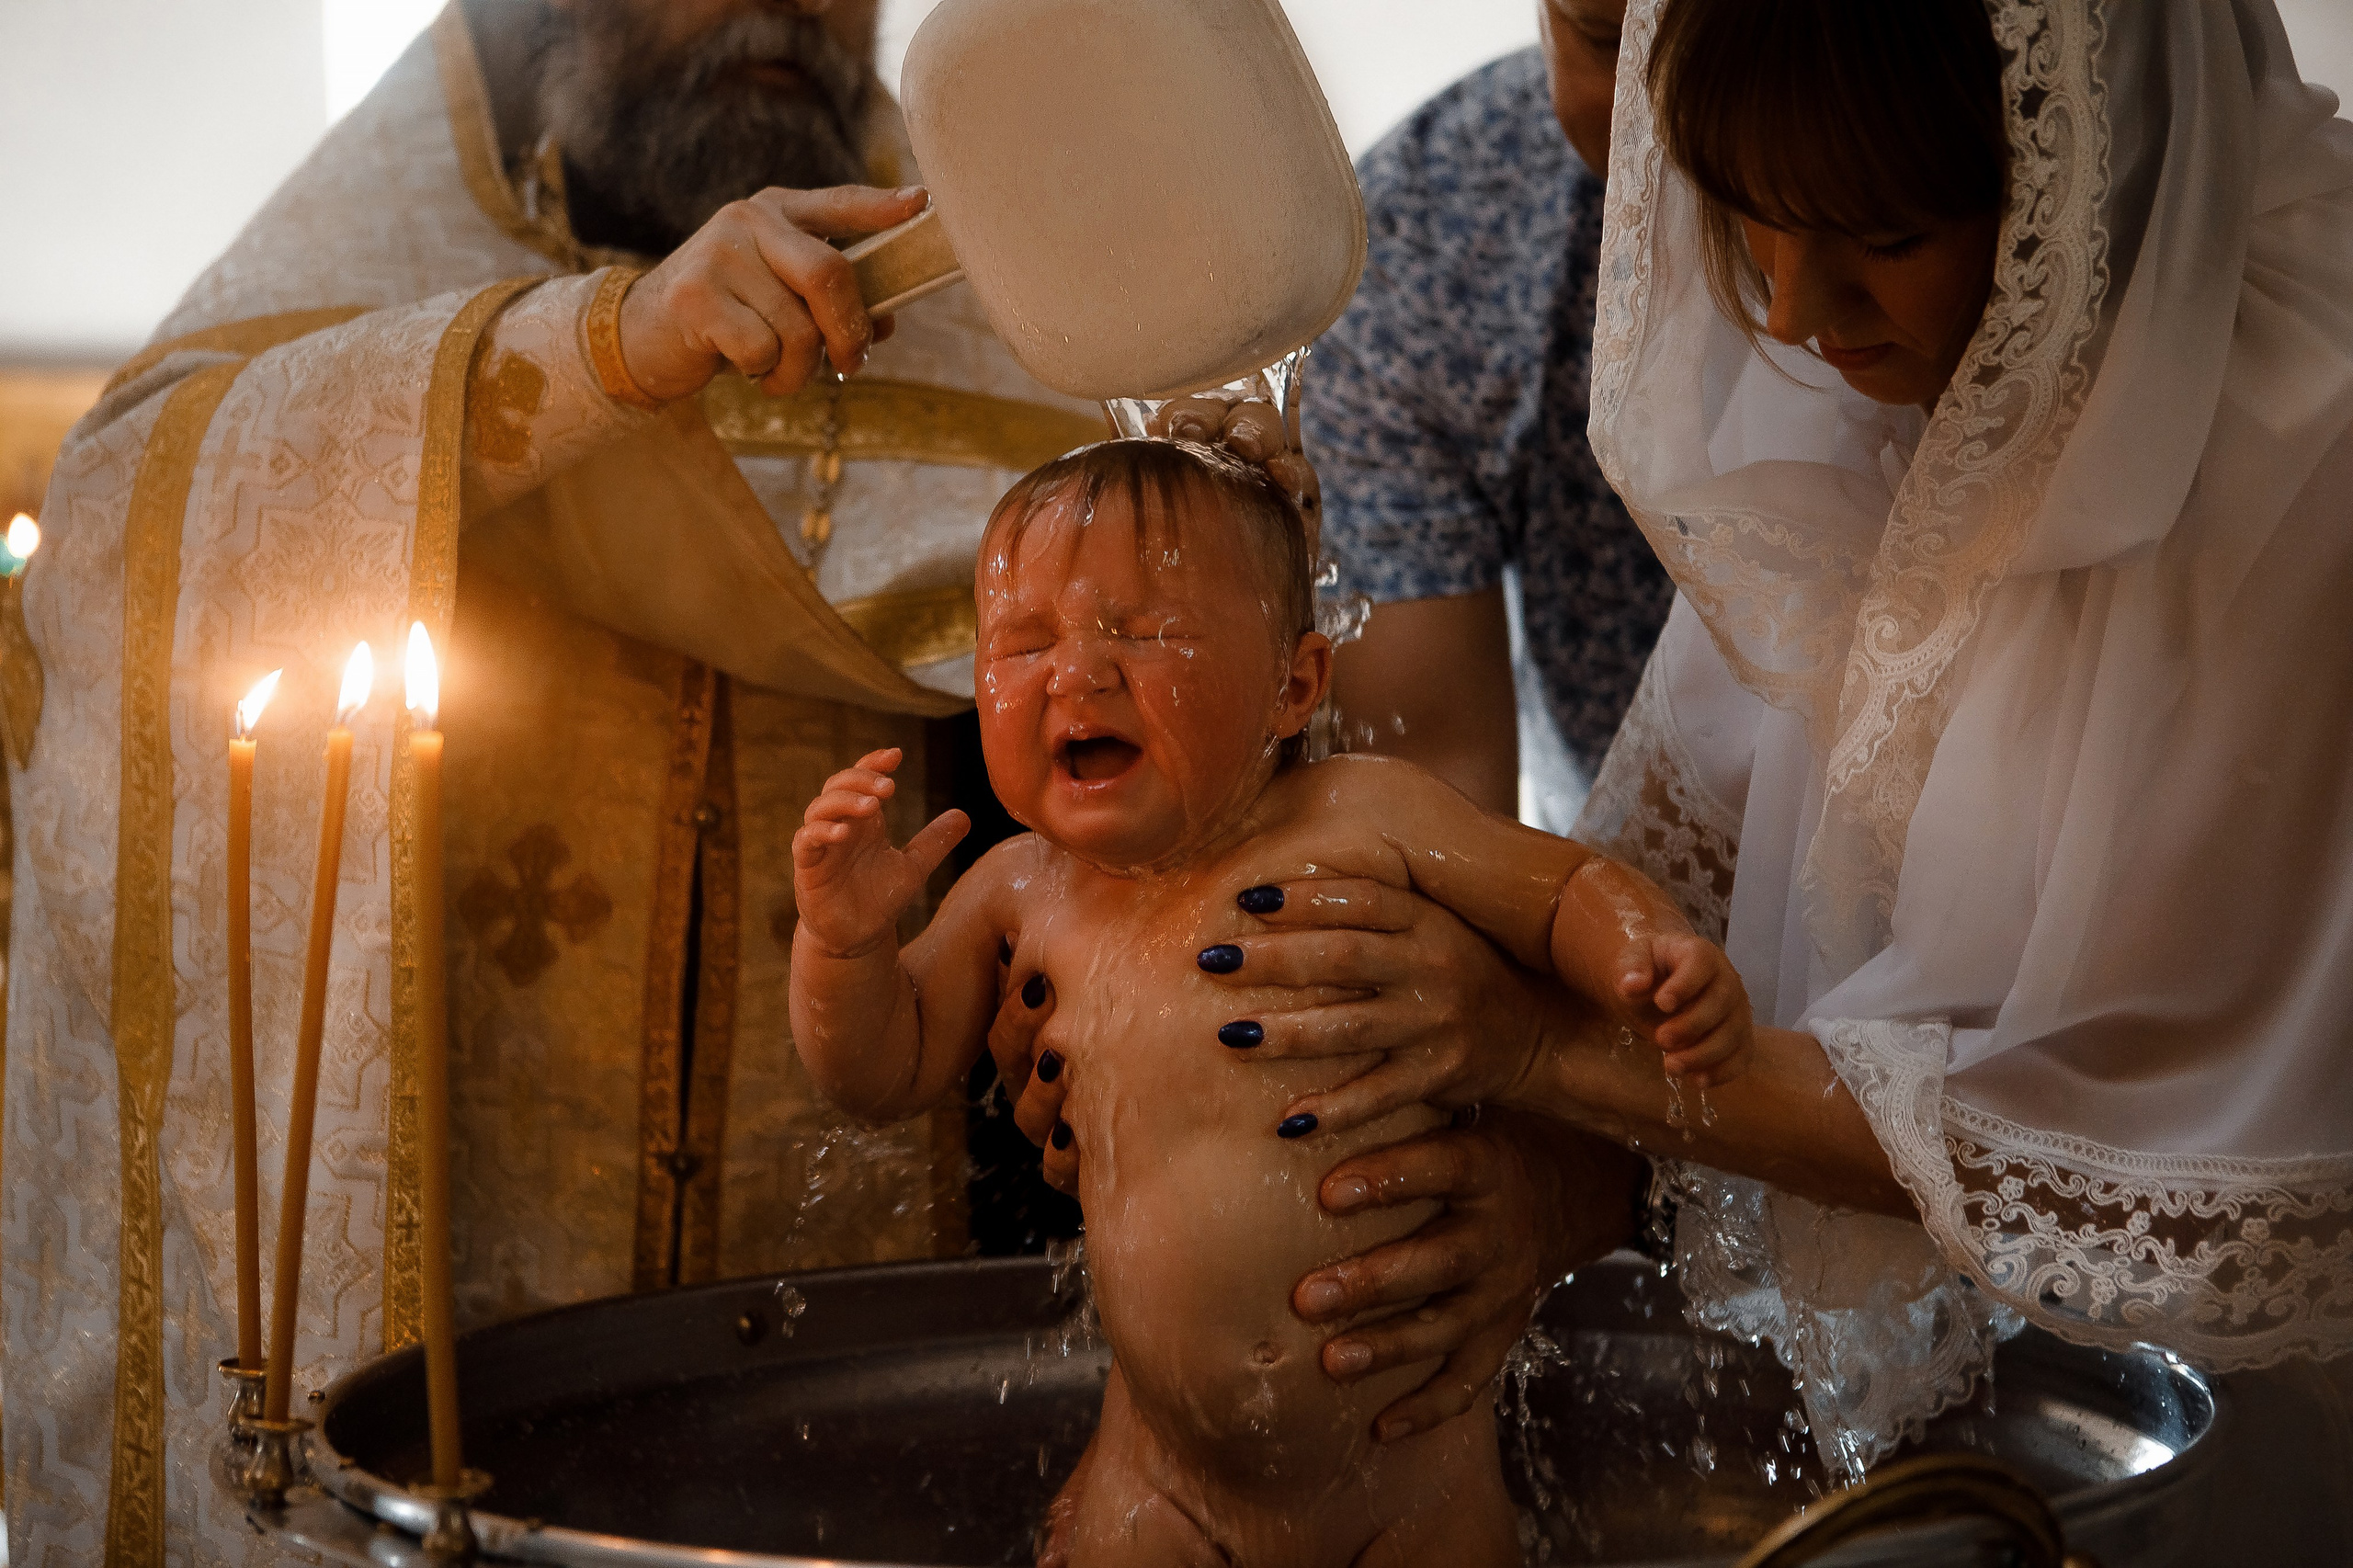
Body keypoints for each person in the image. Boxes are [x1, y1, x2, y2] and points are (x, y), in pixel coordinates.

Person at [1147, 0, 2353, 1510]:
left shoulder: (2308, 439)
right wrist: (1515, 1195)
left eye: (1881, 235)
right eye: (1745, 229)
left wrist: (1536, 1052)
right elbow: (1666, 922)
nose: (1789, 315)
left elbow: (2122, 1137)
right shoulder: (1886, 414)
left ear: (2074, 172)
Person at [786, 438, 1746, 1566]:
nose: (1076, 675)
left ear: (1295, 685)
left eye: (1143, 631)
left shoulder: (1364, 815)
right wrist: (843, 944)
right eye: (1023, 641)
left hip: (1413, 1481)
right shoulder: (1018, 891)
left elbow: (1561, 891)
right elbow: (876, 1074)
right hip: (1161, 1483)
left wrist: (1647, 957)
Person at [1308, 0, 1670, 822]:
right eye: (1611, 44)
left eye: (1741, 35)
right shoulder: (1421, 262)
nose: (1678, 122)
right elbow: (1433, 803)